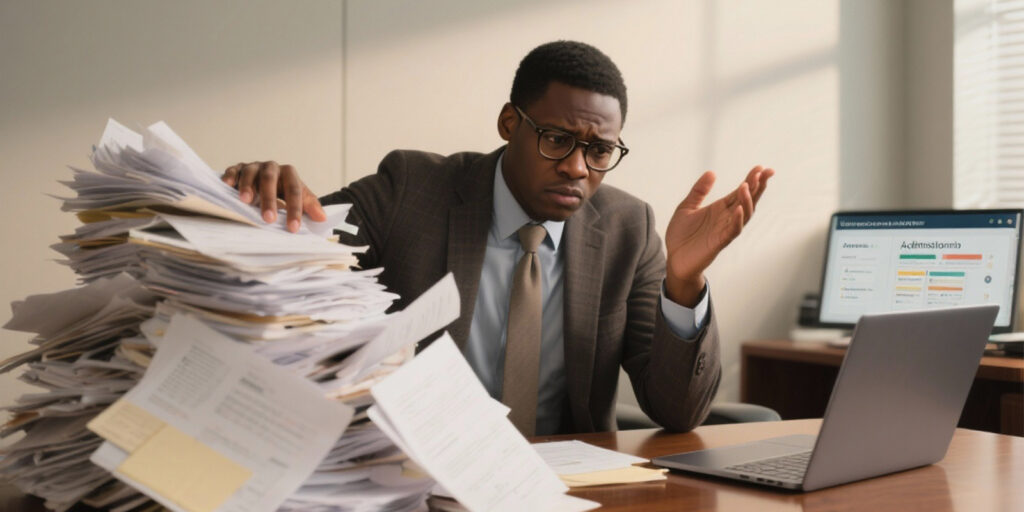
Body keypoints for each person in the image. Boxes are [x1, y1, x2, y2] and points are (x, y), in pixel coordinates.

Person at [222, 41, 773, 436]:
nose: (578, 167)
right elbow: (291, 263)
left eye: (599, 150)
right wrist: (252, 204)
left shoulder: (628, 229)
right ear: (510, 123)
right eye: (557, 139)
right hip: (414, 477)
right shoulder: (411, 189)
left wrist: (684, 281)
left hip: (563, 486)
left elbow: (679, 412)